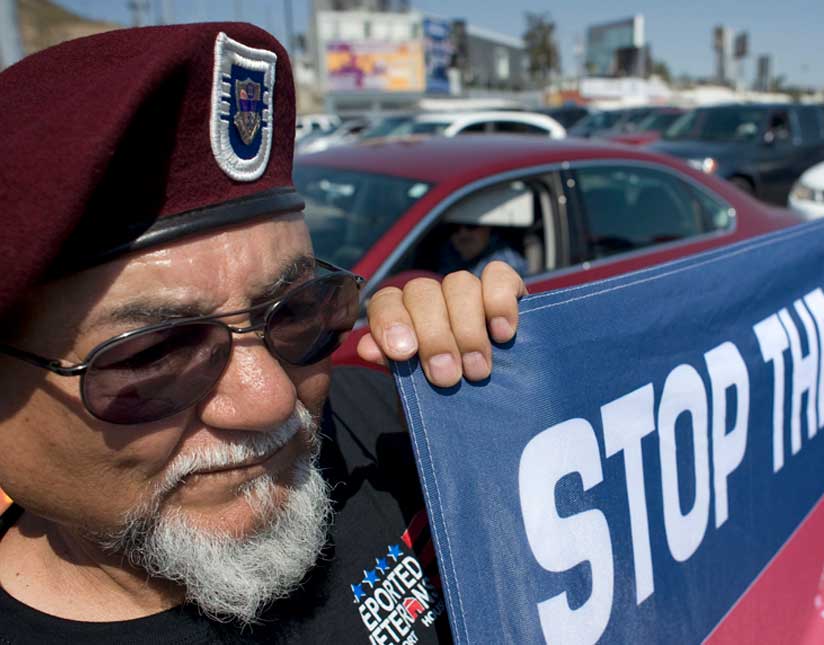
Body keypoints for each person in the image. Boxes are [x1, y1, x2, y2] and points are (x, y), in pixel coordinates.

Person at [0, 24, 526, 643]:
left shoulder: (392, 427)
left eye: (298, 311)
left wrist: (522, 364)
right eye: (155, 355)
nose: (272, 399)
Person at [436, 222, 529, 278]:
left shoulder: (505, 261)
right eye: (454, 228)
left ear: (488, 228)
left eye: (471, 225)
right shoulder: (449, 257)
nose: (463, 233)